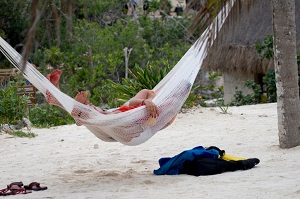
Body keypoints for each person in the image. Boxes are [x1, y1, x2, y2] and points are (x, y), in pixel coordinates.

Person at [46, 69, 159, 118]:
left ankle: (58, 98)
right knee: (100, 114)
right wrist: (146, 101)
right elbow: (132, 102)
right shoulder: (148, 93)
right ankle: (79, 108)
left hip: (127, 122)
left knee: (98, 113)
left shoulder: (166, 101)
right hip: (121, 114)